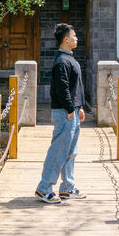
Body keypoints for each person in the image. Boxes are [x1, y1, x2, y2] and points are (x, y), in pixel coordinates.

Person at [35, 23, 87, 204]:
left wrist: (80, 107)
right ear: (66, 39)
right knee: (58, 151)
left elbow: (75, 87)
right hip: (65, 112)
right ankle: (44, 189)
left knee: (71, 151)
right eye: (74, 36)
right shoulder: (61, 62)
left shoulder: (69, 59)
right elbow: (62, 88)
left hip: (72, 111)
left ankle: (67, 188)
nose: (76, 38)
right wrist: (69, 108)